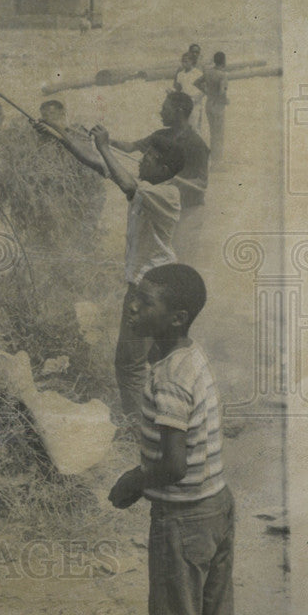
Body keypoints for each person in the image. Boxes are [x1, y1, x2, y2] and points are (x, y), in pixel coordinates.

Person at [109, 263, 235, 615]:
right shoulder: (187, 356)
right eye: (133, 298)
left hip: (182, 520)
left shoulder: (170, 380)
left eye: (144, 303)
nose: (131, 307)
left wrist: (134, 479)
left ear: (177, 318)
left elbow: (174, 465)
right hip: (216, 505)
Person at [55, 112, 184, 419]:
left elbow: (123, 179)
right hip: (162, 285)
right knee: (155, 358)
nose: (141, 161)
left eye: (148, 157)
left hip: (150, 288)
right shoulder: (151, 186)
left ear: (163, 168)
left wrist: (106, 147)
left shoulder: (165, 193)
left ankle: (141, 438)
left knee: (129, 367)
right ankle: (169, 416)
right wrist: (61, 136)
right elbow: (102, 166)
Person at [111, 92, 209, 263]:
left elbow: (202, 183)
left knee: (181, 261)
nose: (161, 112)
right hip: (163, 207)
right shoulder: (160, 136)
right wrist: (105, 141)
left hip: (187, 212)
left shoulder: (196, 144)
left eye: (165, 109)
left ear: (179, 111)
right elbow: (130, 147)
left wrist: (174, 182)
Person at [194, 52, 229, 164]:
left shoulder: (209, 72)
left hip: (208, 103)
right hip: (217, 105)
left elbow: (196, 82)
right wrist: (225, 100)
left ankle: (213, 158)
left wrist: (207, 92)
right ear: (224, 61)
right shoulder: (222, 75)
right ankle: (217, 161)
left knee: (212, 133)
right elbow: (222, 91)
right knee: (219, 134)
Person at [173, 52, 204, 131]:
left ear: (192, 61)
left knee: (194, 127)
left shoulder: (198, 73)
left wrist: (197, 98)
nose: (183, 63)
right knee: (183, 127)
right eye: (182, 61)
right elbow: (178, 89)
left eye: (186, 61)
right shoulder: (180, 74)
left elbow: (204, 90)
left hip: (194, 103)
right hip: (183, 103)